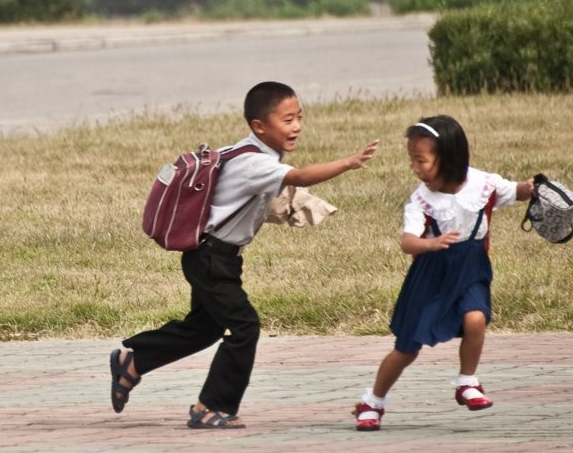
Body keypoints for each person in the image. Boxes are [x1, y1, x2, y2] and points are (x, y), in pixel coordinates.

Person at [111, 81, 379, 429]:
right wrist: (348, 162)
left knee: (204, 328)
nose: (296, 126)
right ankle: (211, 406)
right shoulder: (256, 163)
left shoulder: (246, 153)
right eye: (287, 120)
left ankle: (133, 362)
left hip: (216, 257)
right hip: (212, 259)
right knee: (244, 326)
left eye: (299, 117)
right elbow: (299, 176)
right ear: (260, 126)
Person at [353, 114, 533, 431]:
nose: (415, 167)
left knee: (475, 318)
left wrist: (531, 188)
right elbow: (407, 242)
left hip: (471, 267)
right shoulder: (422, 200)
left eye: (421, 160)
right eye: (412, 160)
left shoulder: (484, 185)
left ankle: (467, 382)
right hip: (431, 274)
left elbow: (513, 191)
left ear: (448, 157)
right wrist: (431, 243)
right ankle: (373, 401)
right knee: (406, 348)